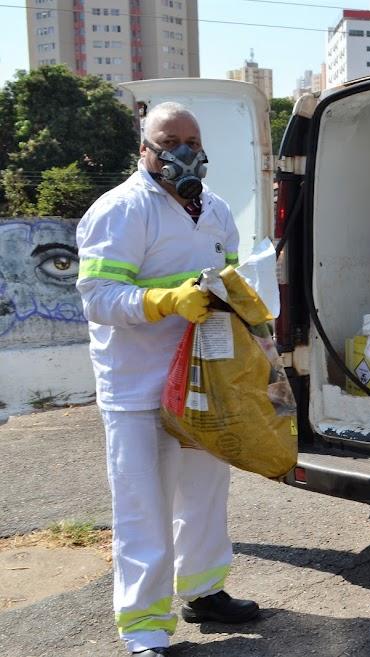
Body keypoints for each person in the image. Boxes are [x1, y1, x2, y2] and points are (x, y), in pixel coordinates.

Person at [76, 102, 259, 656]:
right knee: (143, 508)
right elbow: (97, 297)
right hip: (138, 387)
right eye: (168, 140)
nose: (183, 149)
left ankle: (203, 593)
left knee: (205, 494)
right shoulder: (122, 210)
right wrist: (163, 301)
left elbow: (228, 276)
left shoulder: (217, 210)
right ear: (145, 151)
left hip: (204, 379)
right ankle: (145, 628)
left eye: (191, 139)